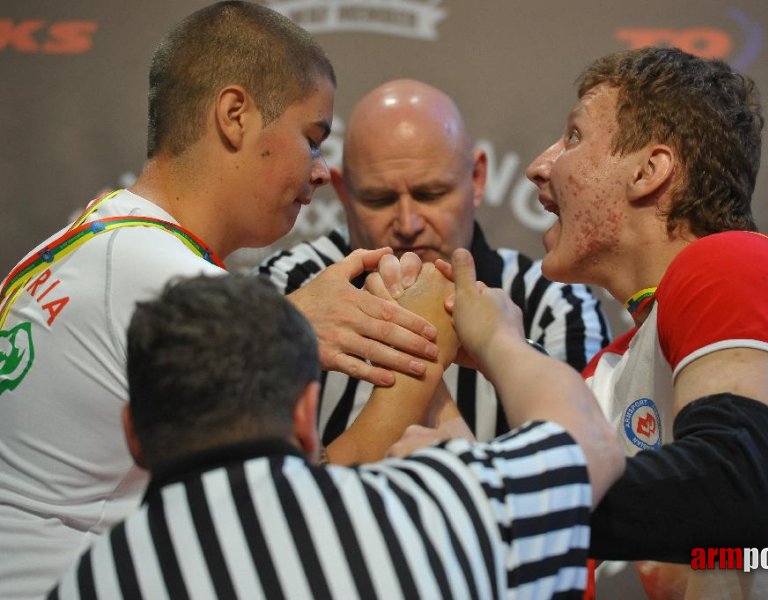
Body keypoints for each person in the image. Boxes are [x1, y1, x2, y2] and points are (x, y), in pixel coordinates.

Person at [0, 3, 439, 597]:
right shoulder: (167, 280)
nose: (320, 173)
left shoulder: (103, 233)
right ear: (235, 116)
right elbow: (286, 518)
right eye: (312, 139)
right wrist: (427, 330)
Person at [523, 46, 768, 598]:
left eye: (574, 137)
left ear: (649, 170)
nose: (541, 165)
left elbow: (729, 493)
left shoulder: (732, 263)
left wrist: (492, 497)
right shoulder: (613, 367)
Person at [49, 267, 624, 599]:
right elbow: (589, 445)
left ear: (133, 432)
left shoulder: (88, 583)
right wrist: (494, 338)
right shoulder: (426, 509)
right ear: (306, 415)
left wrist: (423, 368)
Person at [258, 79, 610, 444]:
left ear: (476, 179)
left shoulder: (554, 304)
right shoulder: (288, 285)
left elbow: (579, 463)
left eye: (431, 194)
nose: (408, 224)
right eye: (379, 199)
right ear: (344, 193)